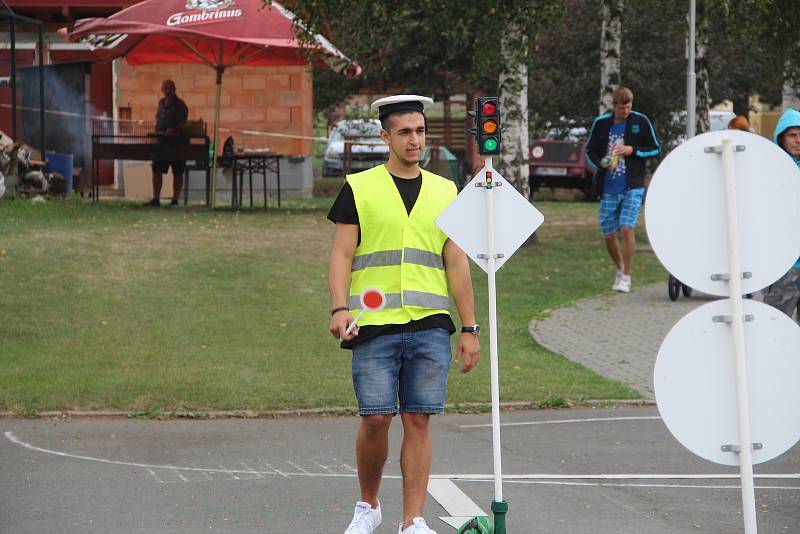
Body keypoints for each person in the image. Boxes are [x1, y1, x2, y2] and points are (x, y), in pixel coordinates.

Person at [327, 95, 481, 534]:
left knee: (418, 418)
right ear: (385, 136)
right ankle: (368, 505)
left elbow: (457, 263)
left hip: (431, 323)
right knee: (375, 417)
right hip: (372, 323)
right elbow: (341, 255)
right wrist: (339, 307)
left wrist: (469, 328)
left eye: (420, 130)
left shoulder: (445, 190)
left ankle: (412, 521)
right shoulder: (359, 187)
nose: (415, 140)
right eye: (405, 132)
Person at [586, 86, 661, 293]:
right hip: (609, 187)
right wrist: (601, 162)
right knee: (609, 234)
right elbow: (590, 150)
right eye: (621, 108)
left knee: (627, 228)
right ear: (614, 106)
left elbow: (655, 148)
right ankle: (619, 269)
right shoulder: (601, 124)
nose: (625, 112)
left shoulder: (640, 122)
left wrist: (632, 150)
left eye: (628, 107)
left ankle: (627, 276)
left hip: (633, 186)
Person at [763, 108, 800, 319]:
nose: (798, 140)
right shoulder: (770, 172)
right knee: (776, 326)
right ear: (781, 138)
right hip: (783, 267)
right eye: (792, 135)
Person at [147, 79, 189, 208]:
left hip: (177, 145)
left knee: (177, 172)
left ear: (174, 90)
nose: (167, 90)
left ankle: (175, 200)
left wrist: (173, 130)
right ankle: (156, 199)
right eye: (165, 88)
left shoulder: (180, 105)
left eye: (170, 88)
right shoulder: (160, 103)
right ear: (162, 90)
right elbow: (158, 119)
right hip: (161, 144)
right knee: (157, 170)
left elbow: (182, 125)